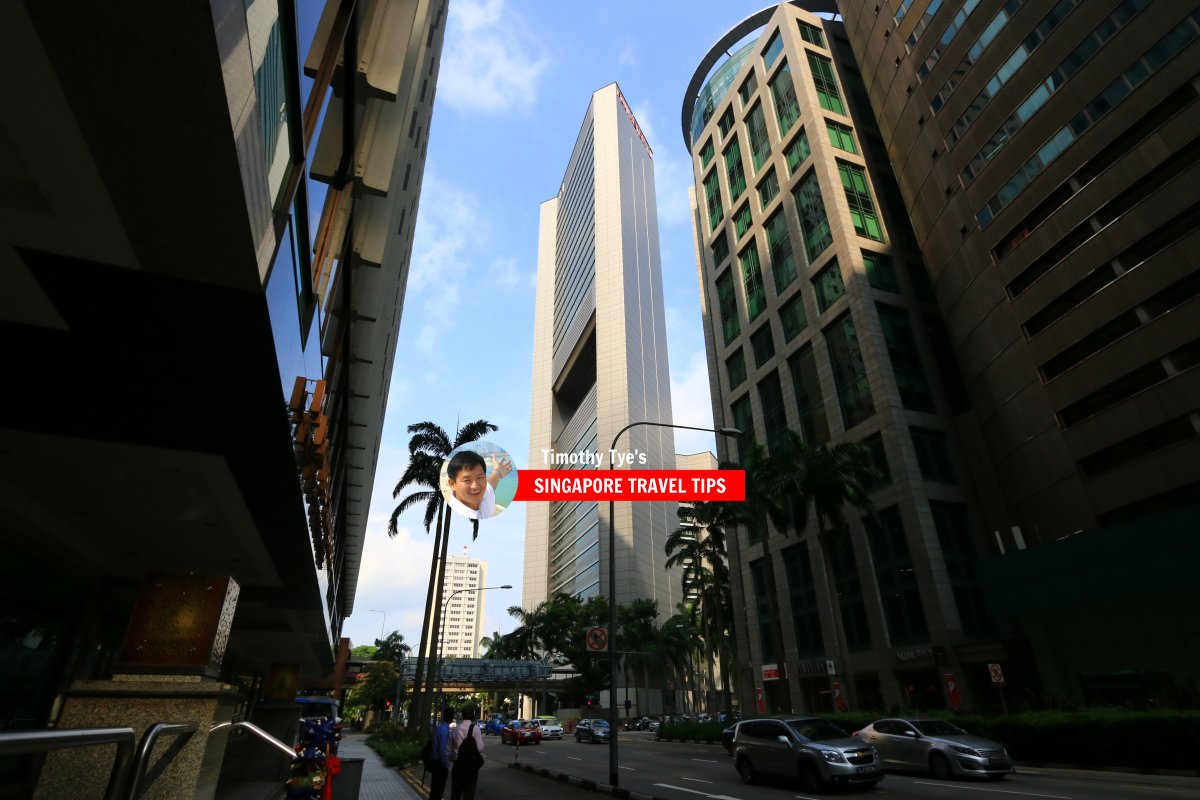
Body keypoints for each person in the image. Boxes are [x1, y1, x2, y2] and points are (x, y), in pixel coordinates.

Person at [444, 450, 513, 520]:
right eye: (467, 480)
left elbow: (490, 484)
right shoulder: (455, 516)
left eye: (479, 477)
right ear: (452, 484)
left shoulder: (484, 497)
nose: (475, 486)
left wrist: (498, 472)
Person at [448, 705, 485, 800]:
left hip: (458, 766)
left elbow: (451, 748)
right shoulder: (475, 728)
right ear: (472, 716)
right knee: (468, 794)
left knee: (455, 794)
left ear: (462, 716)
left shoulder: (456, 729)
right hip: (470, 767)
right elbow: (480, 748)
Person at [429, 707, 455, 800]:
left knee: (435, 789)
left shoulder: (439, 727)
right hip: (439, 764)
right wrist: (446, 764)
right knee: (438, 791)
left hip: (435, 762)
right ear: (451, 717)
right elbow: (442, 750)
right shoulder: (444, 730)